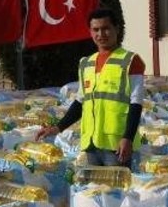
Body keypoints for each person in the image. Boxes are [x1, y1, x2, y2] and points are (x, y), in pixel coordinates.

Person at [36, 9, 145, 167]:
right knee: (95, 191)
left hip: (117, 146)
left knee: (116, 191)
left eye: (106, 28)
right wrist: (57, 127)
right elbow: (81, 103)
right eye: (96, 30)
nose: (101, 34)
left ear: (117, 29)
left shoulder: (130, 61)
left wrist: (127, 138)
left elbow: (136, 103)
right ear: (90, 32)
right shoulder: (86, 63)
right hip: (91, 145)